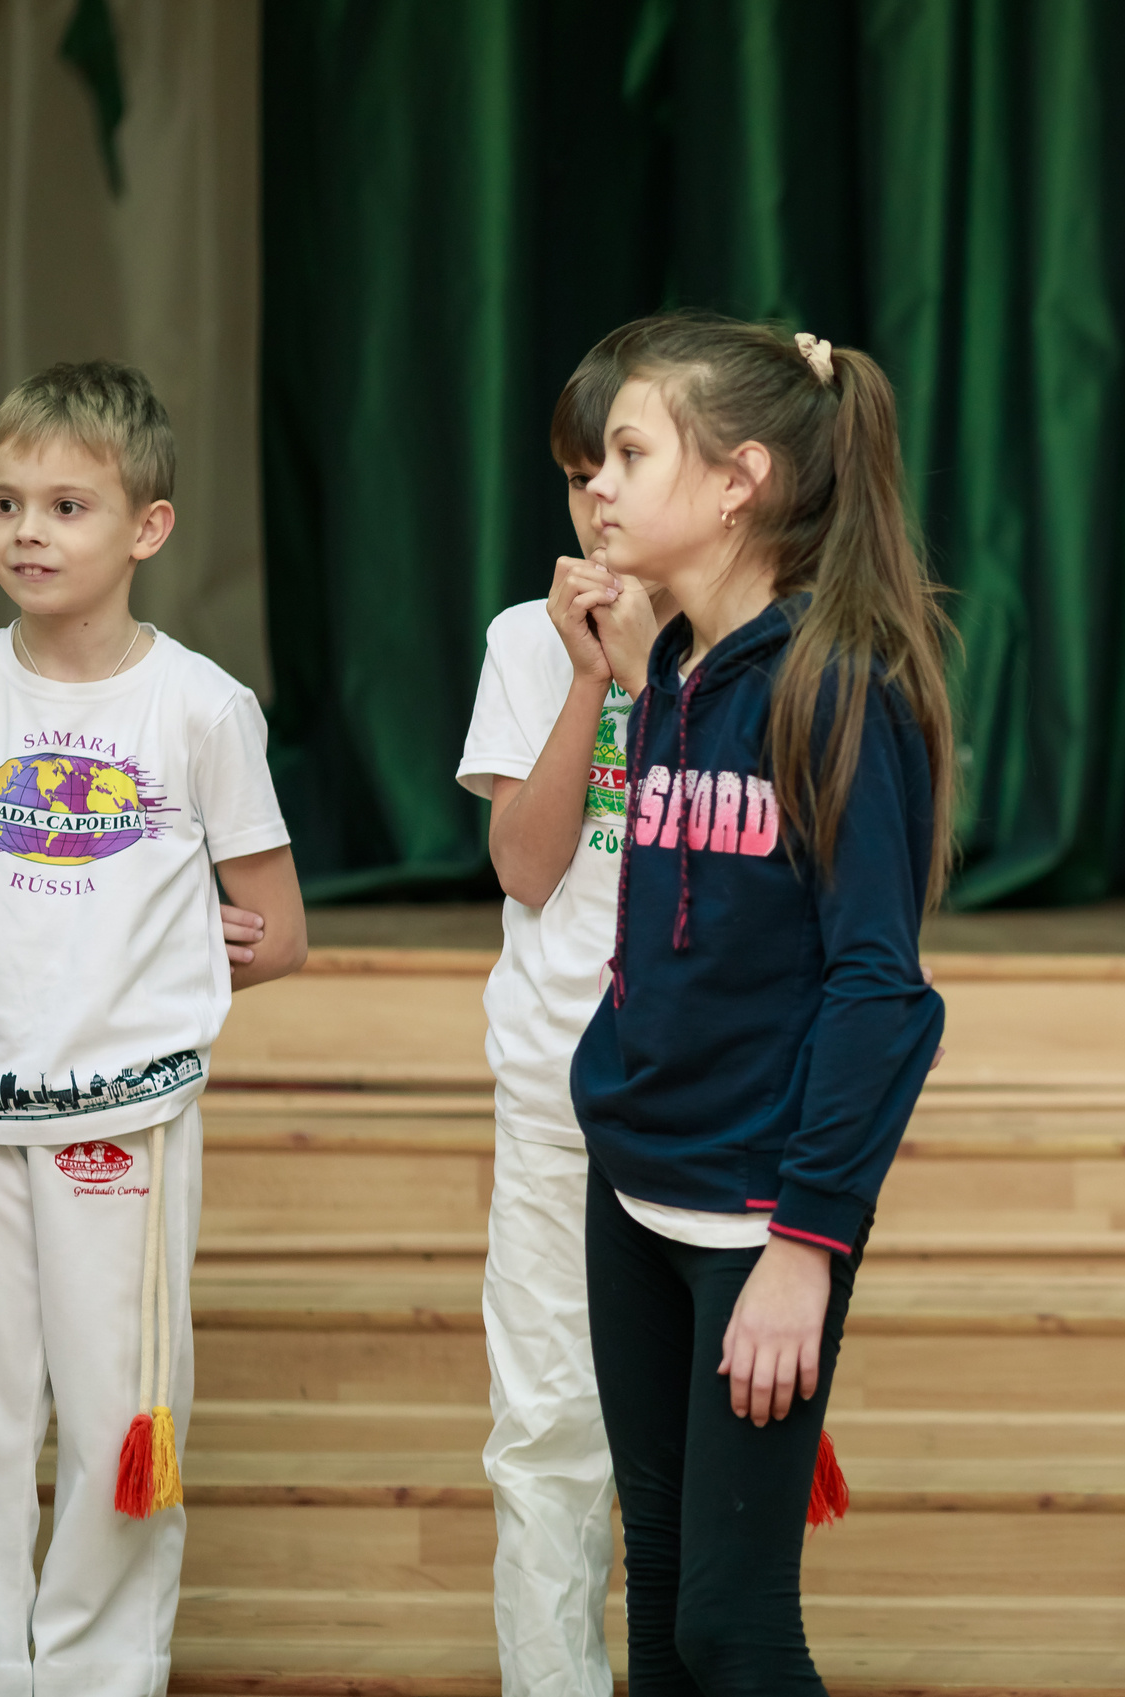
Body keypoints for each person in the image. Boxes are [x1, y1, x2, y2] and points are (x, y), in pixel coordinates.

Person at [569, 312, 950, 1695]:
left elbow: (882, 993)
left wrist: (805, 1242)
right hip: (633, 1195)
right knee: (662, 1597)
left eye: (628, 450)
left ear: (736, 481)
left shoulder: (836, 687)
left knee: (735, 1628)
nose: (597, 483)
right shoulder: (667, 669)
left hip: (757, 1223)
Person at [0, 360, 306, 1694]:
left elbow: (275, 928)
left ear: (147, 529)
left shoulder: (202, 707)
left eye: (66, 504)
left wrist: (169, 948)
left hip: (124, 1124)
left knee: (119, 1420)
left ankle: (99, 1675)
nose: (29, 533)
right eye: (6, 504)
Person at [455, 341, 668, 1697]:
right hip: (554, 1083)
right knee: (546, 1429)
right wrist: (590, 676)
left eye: (629, 467)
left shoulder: (772, 644)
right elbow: (528, 867)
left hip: (712, 1096)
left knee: (693, 1451)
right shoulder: (522, 644)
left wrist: (656, 669)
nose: (599, 501)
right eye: (580, 475)